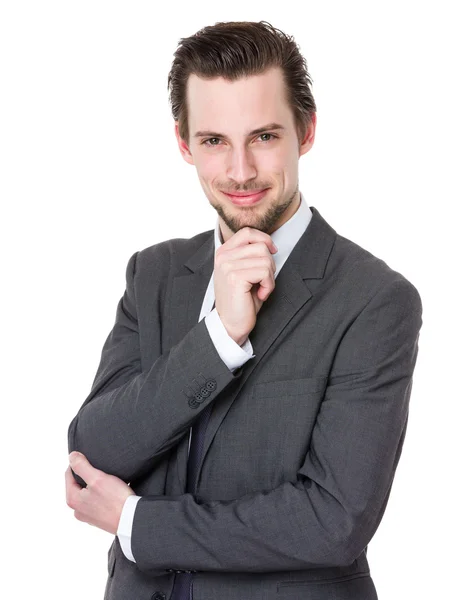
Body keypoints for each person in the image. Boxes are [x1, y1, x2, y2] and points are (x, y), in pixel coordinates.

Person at [65, 20, 423, 600]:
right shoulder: (153, 274)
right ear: (183, 143)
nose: (240, 172)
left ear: (305, 132)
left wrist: (137, 523)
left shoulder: (375, 300)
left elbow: (332, 523)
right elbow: (93, 453)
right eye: (213, 141)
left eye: (263, 136)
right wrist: (219, 339)